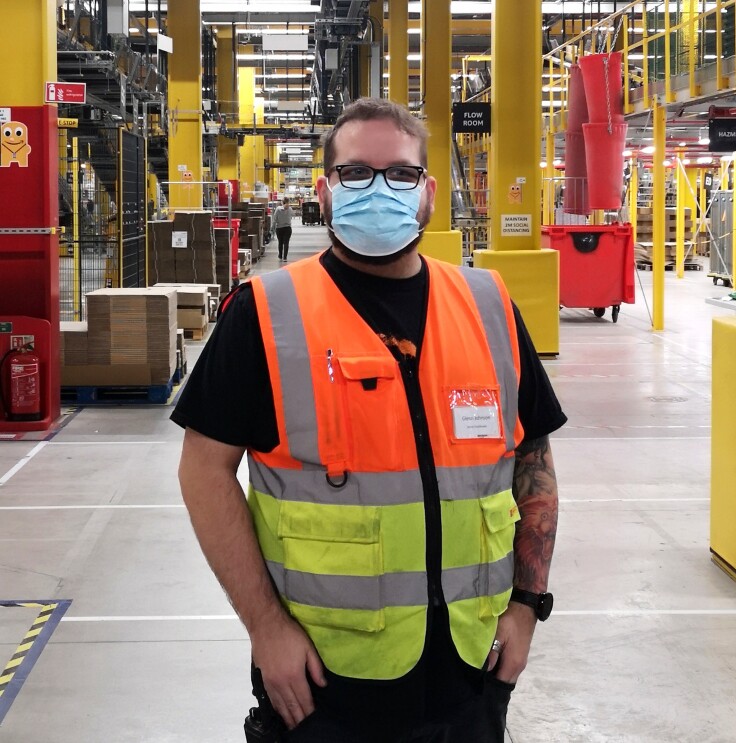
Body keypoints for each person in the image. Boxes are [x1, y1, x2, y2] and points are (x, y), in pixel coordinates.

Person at [173, 97, 566, 743]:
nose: (378, 189)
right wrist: (265, 627)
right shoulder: (267, 313)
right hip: (326, 686)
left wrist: (527, 606)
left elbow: (533, 461)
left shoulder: (488, 304)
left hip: (471, 675)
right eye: (356, 174)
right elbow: (203, 469)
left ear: (428, 193)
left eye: (400, 174)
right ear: (324, 192)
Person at [271, 196, 294, 261]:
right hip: (288, 228)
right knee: (286, 243)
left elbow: (275, 219)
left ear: (282, 202)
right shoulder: (290, 209)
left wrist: (272, 228)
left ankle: (280, 255)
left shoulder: (278, 209)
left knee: (280, 242)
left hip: (279, 228)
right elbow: (292, 216)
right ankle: (285, 257)